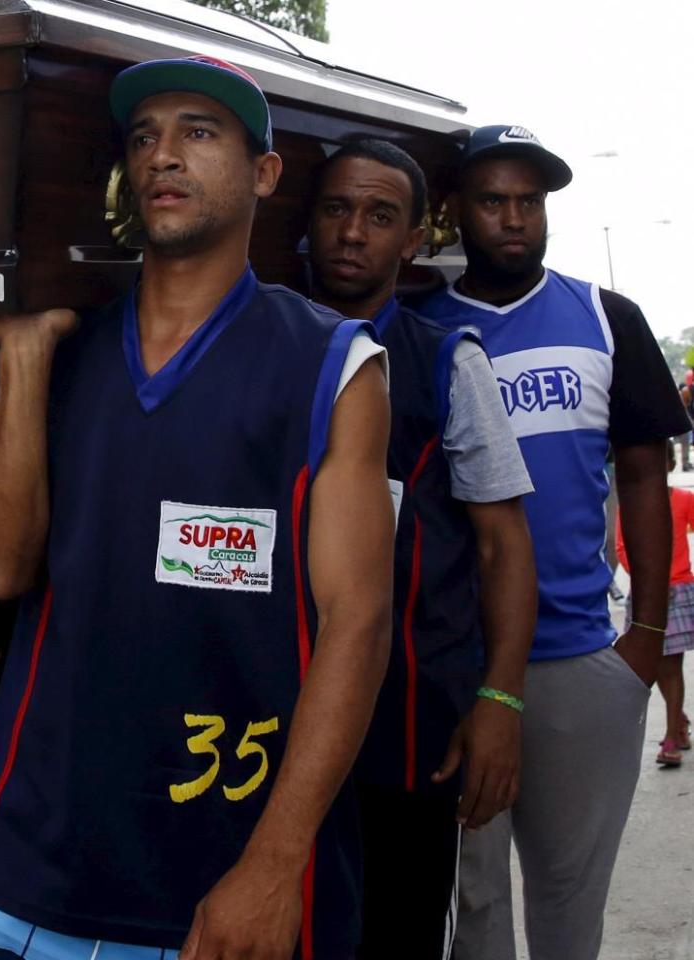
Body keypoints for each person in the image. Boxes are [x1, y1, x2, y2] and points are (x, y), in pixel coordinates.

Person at [0, 56, 394, 959]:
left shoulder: (334, 365)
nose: (164, 155)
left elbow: (360, 621)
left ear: (264, 173)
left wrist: (273, 868)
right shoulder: (65, 349)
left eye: (199, 132)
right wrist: (26, 357)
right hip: (29, 878)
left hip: (222, 886)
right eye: (146, 137)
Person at [412, 125, 691, 960]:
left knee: (570, 904)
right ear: (456, 210)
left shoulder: (607, 319)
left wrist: (641, 642)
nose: (513, 219)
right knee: (473, 904)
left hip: (580, 660)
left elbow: (644, 477)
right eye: (493, 200)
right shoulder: (417, 327)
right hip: (457, 667)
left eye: (529, 203)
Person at [304, 139, 538, 958]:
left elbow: (504, 545)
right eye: (336, 210)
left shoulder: (446, 361)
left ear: (412, 240)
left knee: (394, 935)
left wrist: (499, 704)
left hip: (405, 730)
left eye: (379, 216)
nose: (353, 233)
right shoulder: (261, 349)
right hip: (260, 721)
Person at [616, 442, 694, 767]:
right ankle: (679, 720)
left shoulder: (684, 500)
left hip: (678, 589)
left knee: (671, 666)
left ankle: (672, 735)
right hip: (649, 593)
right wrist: (649, 581)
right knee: (658, 665)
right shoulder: (630, 506)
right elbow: (622, 547)